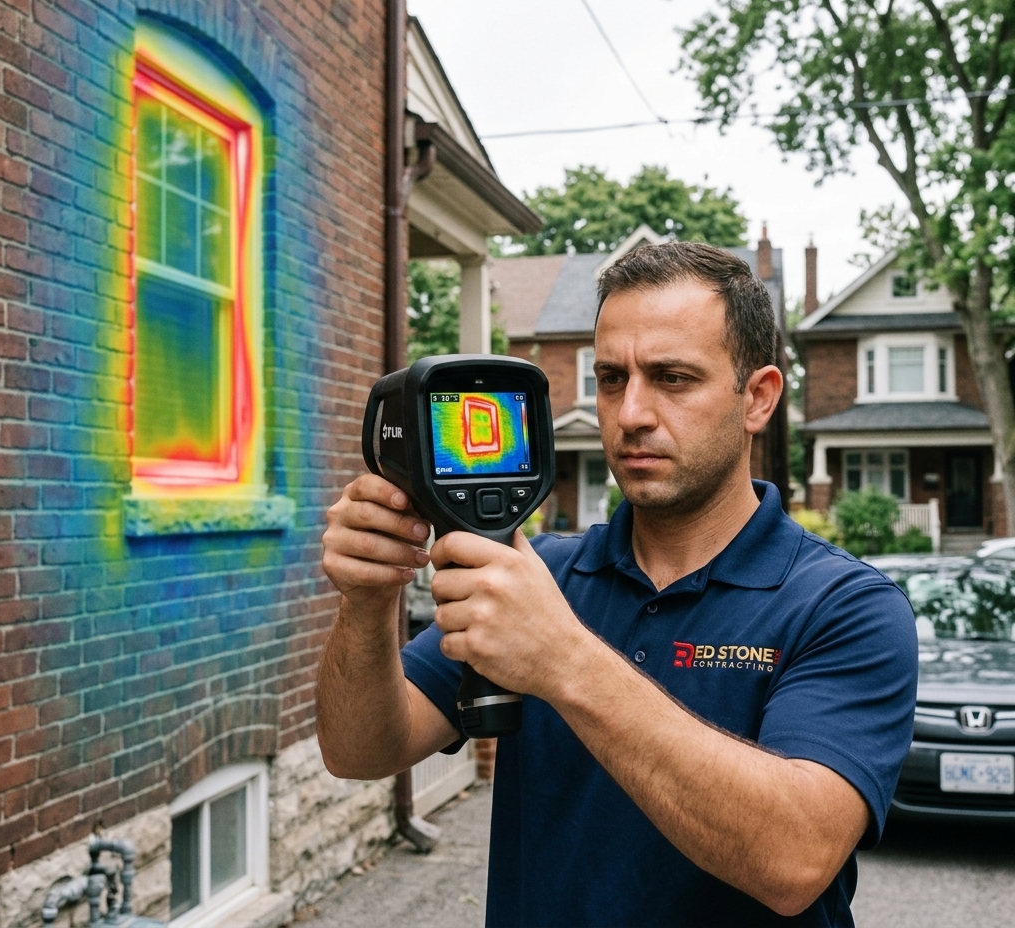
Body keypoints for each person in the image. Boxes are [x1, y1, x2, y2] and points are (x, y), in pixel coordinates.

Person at [316, 241, 918, 928]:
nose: (630, 413)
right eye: (610, 378)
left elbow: (794, 862)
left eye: (672, 378)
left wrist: (563, 658)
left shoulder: (847, 606)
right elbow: (360, 751)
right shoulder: (536, 576)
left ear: (757, 398)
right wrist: (367, 601)